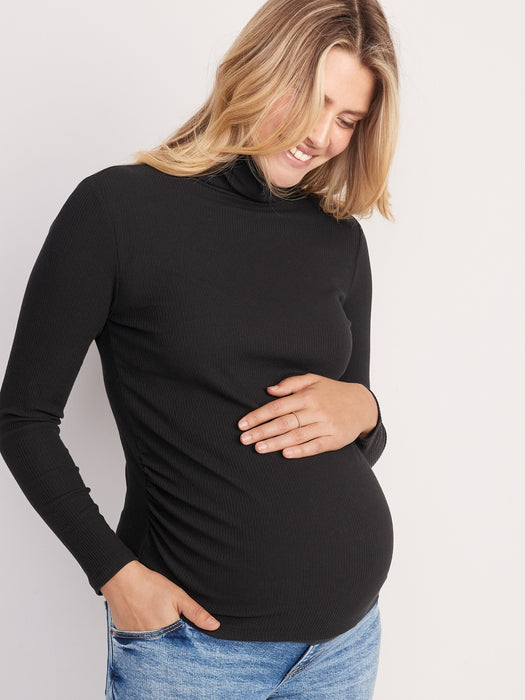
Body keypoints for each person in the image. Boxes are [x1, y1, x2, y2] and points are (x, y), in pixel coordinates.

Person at [0, 0, 399, 697]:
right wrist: (114, 574)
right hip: (194, 655)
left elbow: (346, 433)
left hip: (344, 646)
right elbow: (22, 419)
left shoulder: (338, 238)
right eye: (312, 100)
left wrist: (366, 409)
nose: (320, 137)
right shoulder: (117, 211)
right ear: (256, 70)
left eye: (347, 120)